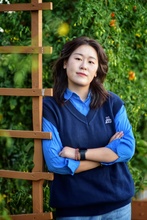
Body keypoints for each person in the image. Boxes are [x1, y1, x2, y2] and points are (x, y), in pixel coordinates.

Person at [42, 36, 135, 220]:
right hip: (74, 211)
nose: (84, 65)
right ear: (65, 63)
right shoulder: (50, 106)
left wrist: (79, 154)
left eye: (91, 62)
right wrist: (107, 154)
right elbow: (56, 163)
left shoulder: (112, 102)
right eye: (78, 58)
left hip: (118, 207)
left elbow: (127, 149)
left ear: (96, 71)